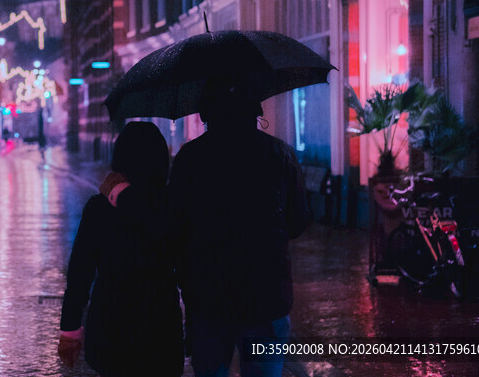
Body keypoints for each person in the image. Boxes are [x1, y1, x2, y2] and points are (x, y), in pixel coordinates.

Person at [102, 77, 309, 377]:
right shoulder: (282, 155)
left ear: (206, 114)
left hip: (209, 300)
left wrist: (121, 193)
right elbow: (297, 223)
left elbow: (172, 225)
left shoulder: (190, 158)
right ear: (255, 111)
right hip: (267, 297)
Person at [58, 122, 183, 376]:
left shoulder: (98, 208)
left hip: (110, 322)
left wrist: (70, 328)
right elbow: (188, 265)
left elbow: (80, 272)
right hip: (160, 321)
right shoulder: (173, 207)